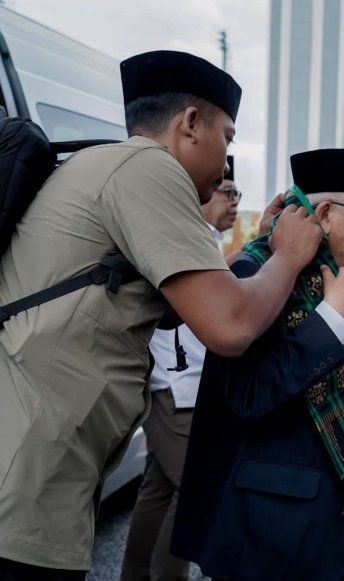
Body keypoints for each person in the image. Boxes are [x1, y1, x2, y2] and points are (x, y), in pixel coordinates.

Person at [0, 50, 322, 579]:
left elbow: (187, 308)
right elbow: (231, 325)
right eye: (228, 137)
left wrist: (264, 244)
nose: (225, 163)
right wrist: (288, 255)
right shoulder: (147, 167)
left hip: (38, 463)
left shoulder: (109, 165)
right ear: (190, 123)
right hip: (24, 474)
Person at [172, 148, 344, 581]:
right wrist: (333, 316)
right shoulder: (253, 270)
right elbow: (251, 393)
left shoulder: (332, 268)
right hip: (279, 520)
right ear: (328, 214)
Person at [119, 156, 240, 581]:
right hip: (174, 385)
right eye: (225, 188)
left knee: (159, 488)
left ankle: (136, 575)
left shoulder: (204, 240)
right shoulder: (188, 240)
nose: (233, 200)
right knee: (194, 492)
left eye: (235, 191)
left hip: (176, 383)